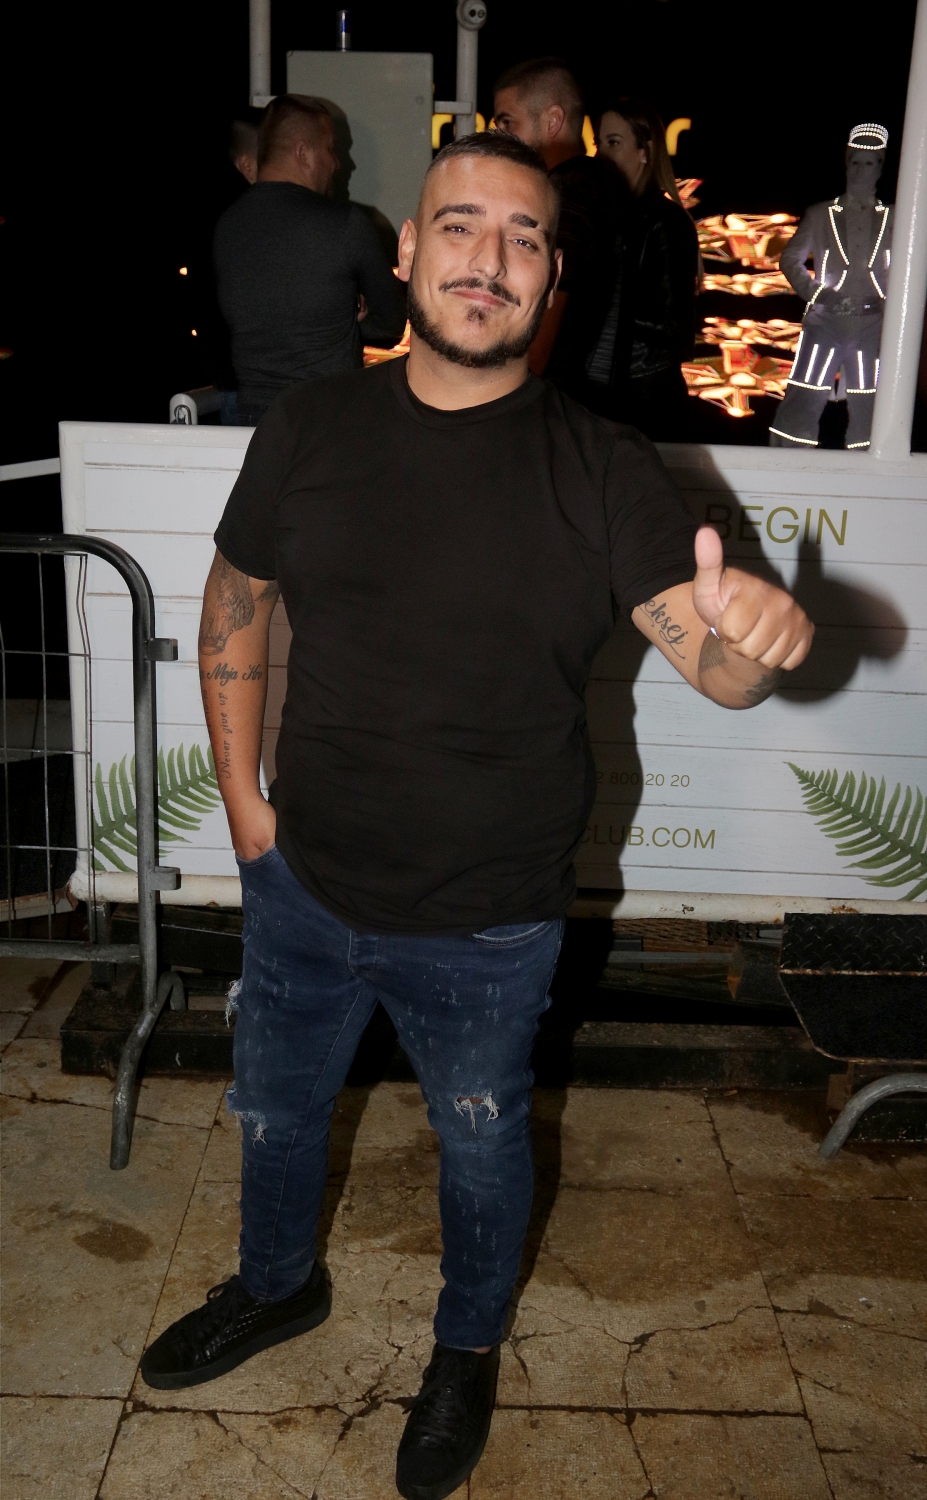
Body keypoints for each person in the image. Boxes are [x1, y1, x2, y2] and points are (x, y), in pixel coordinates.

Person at [140, 131, 813, 1500]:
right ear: (404, 252)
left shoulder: (603, 467)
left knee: (481, 1144)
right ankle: (275, 1286)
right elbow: (236, 598)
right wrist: (244, 808)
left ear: (551, 279)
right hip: (303, 877)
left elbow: (715, 666)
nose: (487, 259)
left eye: (522, 237)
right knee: (274, 1117)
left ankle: (462, 1349)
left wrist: (758, 642)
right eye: (459, 226)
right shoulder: (312, 424)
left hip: (490, 920)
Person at [213, 95, 407, 425]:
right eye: (330, 149)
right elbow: (391, 324)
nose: (338, 163)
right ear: (303, 153)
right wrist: (348, 319)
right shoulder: (345, 224)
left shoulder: (227, 226)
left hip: (252, 425)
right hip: (328, 420)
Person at [493, 58, 634, 414]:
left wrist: (503, 405)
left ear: (553, 120)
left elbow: (545, 323)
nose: (501, 137)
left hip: (556, 407)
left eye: (508, 123)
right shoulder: (602, 184)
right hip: (594, 407)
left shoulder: (564, 196)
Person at [772, 122, 893, 450]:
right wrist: (819, 293)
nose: (862, 170)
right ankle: (785, 464)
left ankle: (868, 467)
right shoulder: (820, 214)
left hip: (872, 325)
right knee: (805, 393)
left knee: (869, 403)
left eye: (869, 163)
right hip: (826, 322)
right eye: (856, 162)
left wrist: (890, 303)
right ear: (847, 165)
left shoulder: (893, 217)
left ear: (880, 167)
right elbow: (790, 259)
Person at [591, 98, 700, 439]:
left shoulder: (665, 222)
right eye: (598, 143)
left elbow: (673, 326)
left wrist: (600, 303)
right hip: (613, 396)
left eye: (614, 142)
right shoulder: (611, 215)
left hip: (647, 402)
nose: (601, 154)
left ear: (645, 151)